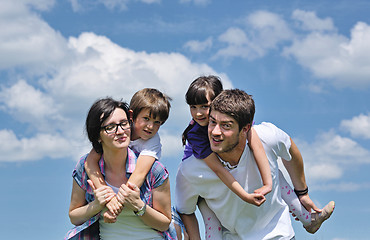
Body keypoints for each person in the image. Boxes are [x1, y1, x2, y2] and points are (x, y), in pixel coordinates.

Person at [175, 89, 335, 239]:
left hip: (278, 234)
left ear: (245, 129)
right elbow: (185, 210)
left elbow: (291, 151)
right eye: (212, 122)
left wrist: (302, 192)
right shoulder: (191, 169)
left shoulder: (267, 137)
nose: (216, 132)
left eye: (226, 126)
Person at [65, 97, 177, 240]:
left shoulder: (155, 170)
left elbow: (164, 224)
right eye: (110, 127)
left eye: (124, 124)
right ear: (97, 135)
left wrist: (139, 206)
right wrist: (97, 205)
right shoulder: (84, 167)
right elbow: (74, 217)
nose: (120, 131)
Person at [178, 76, 272, 239]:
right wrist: (245, 196)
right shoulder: (196, 135)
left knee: (276, 171)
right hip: (201, 181)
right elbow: (217, 170)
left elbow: (255, 144)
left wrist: (267, 183)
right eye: (193, 107)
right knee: (212, 227)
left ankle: (307, 216)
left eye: (204, 106)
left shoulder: (234, 119)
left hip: (216, 177)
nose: (198, 113)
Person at [84, 88, 171, 222]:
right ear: (131, 115)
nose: (150, 126)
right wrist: (104, 192)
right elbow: (90, 162)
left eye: (157, 122)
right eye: (146, 118)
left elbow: (139, 175)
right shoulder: (121, 128)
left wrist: (115, 207)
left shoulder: (152, 142)